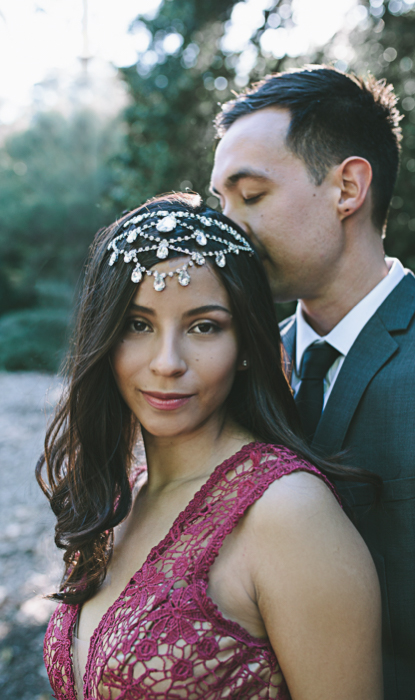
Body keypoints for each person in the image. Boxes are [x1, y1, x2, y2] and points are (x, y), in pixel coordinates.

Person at [38, 194, 383, 700]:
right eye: (138, 325)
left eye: (204, 326)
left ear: (244, 344)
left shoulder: (288, 514)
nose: (167, 362)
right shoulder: (121, 500)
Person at [210, 66, 415, 700]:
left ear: (348, 187)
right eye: (219, 203)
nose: (225, 230)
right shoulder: (232, 366)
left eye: (251, 196)